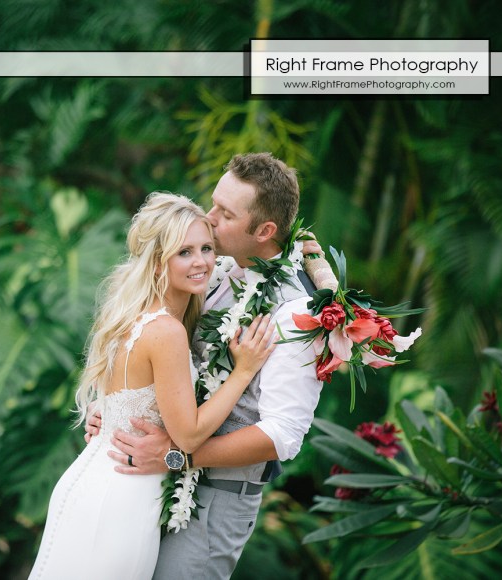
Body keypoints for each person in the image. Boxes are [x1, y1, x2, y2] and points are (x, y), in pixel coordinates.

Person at [85, 153, 325, 579]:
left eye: (226, 214)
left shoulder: (295, 312)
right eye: (213, 203)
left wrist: (176, 457)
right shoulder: (214, 270)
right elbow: (155, 349)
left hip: (214, 502)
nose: (209, 219)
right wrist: (118, 411)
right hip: (148, 484)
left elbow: (282, 434)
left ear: (264, 231)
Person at [29, 193, 279, 580]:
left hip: (99, 481)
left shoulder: (139, 311)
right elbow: (189, 435)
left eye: (206, 248)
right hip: (120, 497)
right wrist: (243, 372)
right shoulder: (166, 331)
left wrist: (301, 250)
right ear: (158, 260)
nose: (202, 262)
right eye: (184, 252)